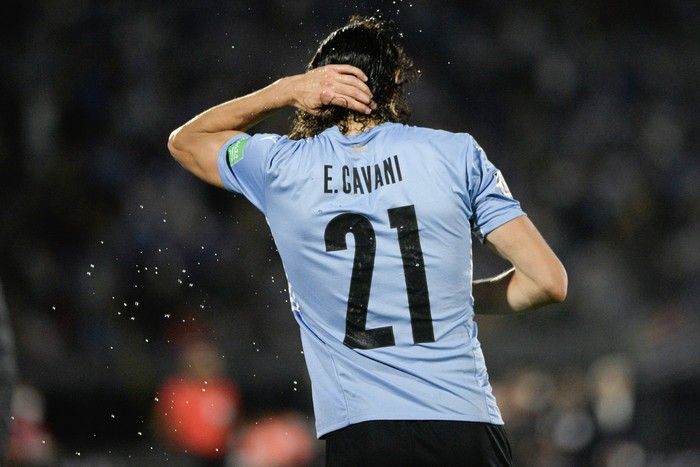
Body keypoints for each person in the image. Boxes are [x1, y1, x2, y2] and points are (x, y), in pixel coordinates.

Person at [168, 16, 567, 467]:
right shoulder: (456, 153)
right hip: (466, 424)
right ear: (396, 79)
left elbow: (186, 142)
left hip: (363, 433)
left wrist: (282, 89)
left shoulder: (281, 167)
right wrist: (445, 296)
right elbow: (548, 281)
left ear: (317, 88)